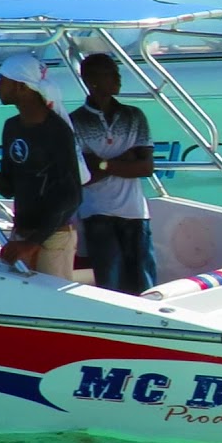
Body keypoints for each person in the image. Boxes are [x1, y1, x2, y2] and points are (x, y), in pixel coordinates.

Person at [0, 54, 82, 278]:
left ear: (21, 86)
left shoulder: (56, 130)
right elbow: (7, 187)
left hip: (52, 237)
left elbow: (72, 196)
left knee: (47, 300)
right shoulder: (12, 127)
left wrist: (32, 243)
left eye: (2, 80)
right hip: (22, 235)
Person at [69, 53, 158, 294]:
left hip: (135, 212)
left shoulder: (134, 116)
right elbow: (84, 176)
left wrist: (103, 164)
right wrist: (125, 159)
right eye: (111, 73)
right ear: (92, 81)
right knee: (111, 287)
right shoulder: (75, 121)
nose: (118, 78)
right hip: (96, 214)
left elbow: (146, 168)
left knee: (145, 285)